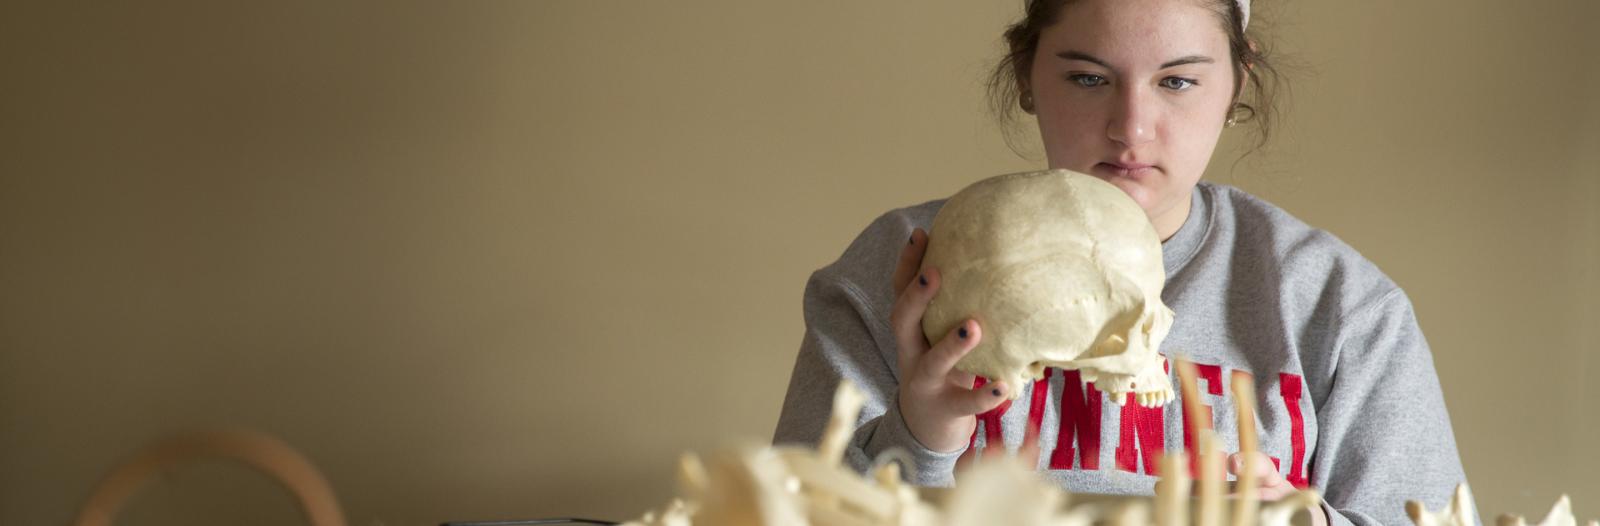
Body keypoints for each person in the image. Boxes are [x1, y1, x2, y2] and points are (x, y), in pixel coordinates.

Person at [772, 1, 1474, 525]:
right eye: (1087, 78)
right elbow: (780, 509)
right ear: (1026, 74)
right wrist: (920, 437)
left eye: (1177, 82)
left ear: (1238, 82)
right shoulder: (899, 272)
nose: (1131, 127)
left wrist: (1305, 522)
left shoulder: (1341, 305)